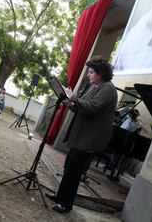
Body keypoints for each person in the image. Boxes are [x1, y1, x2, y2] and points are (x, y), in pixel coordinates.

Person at [48, 56, 118, 213]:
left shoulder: (107, 88)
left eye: (92, 72)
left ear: (101, 73)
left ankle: (65, 204)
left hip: (90, 139)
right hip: (81, 135)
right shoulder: (93, 87)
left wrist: (73, 97)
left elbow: (92, 107)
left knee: (74, 171)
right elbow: (81, 108)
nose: (89, 75)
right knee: (69, 167)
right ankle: (60, 197)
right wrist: (69, 103)